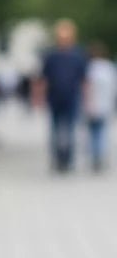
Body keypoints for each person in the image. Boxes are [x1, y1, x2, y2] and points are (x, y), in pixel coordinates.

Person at [37, 18, 88, 172]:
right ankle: (57, 159)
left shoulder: (78, 54)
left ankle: (68, 159)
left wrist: (86, 99)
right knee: (55, 130)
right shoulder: (51, 55)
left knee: (70, 130)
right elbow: (43, 78)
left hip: (72, 97)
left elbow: (84, 80)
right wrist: (38, 97)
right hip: (54, 97)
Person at [84, 42, 117, 171]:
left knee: (92, 133)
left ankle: (95, 155)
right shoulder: (109, 68)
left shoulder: (88, 68)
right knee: (102, 132)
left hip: (91, 105)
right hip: (105, 105)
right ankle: (100, 155)